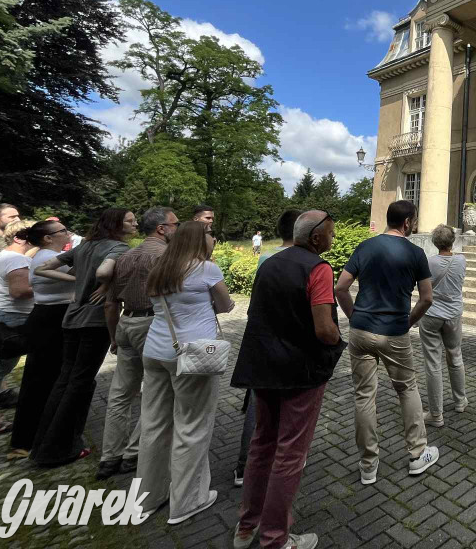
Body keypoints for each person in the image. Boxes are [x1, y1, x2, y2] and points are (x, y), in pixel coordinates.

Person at [231, 210, 344, 549]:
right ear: (315, 238)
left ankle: (245, 527)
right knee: (290, 453)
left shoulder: (270, 263)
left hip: (263, 367)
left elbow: (258, 312)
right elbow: (324, 328)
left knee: (262, 444)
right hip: (299, 372)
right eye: (330, 233)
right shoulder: (318, 268)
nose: (333, 239)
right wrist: (338, 343)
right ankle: (275, 538)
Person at [334, 199, 439, 485]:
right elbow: (427, 298)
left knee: (364, 395)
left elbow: (340, 288)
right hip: (394, 331)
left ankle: (368, 465)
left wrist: (354, 315)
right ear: (407, 223)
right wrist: (408, 321)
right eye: (413, 221)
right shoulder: (416, 253)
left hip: (361, 330)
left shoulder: (366, 246)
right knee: (406, 389)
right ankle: (418, 454)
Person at [137, 221, 234, 524]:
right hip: (193, 355)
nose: (214, 237)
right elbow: (227, 305)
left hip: (155, 350)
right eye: (209, 233)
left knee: (153, 423)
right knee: (192, 425)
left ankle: (147, 498)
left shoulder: (158, 268)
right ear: (197, 239)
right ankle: (188, 500)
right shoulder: (206, 269)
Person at [31, 208, 136, 467]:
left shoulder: (84, 247)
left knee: (65, 379)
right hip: (94, 320)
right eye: (130, 220)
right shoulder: (118, 249)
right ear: (116, 225)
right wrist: (105, 285)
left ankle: (42, 445)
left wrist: (78, 280)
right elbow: (103, 273)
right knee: (80, 382)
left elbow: (44, 269)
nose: (135, 224)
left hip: (71, 317)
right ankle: (58, 449)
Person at [95, 206, 179, 480]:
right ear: (161, 229)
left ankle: (109, 456)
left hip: (125, 323)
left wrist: (113, 336)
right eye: (175, 224)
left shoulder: (125, 255)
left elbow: (110, 302)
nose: (178, 229)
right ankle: (133, 452)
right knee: (157, 391)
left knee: (120, 393)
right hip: (151, 324)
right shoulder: (165, 256)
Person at [233, 208, 302, 487]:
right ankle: (284, 463)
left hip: (263, 336)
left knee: (259, 403)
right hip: (292, 342)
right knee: (293, 406)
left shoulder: (265, 258)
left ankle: (244, 466)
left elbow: (256, 302)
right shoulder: (308, 262)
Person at [9, 220, 76, 457]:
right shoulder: (46, 257)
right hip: (50, 319)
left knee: (41, 378)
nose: (68, 233)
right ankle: (32, 439)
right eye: (63, 231)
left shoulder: (47, 255)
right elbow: (82, 275)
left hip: (47, 317)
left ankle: (31, 437)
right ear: (48, 238)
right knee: (43, 379)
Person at [0, 220, 35, 434]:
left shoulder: (6, 256)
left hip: (1, 315)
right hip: (10, 316)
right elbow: (19, 291)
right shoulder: (15, 258)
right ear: (19, 237)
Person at [419, 225, 468, 428]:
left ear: (434, 242)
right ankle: (460, 401)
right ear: (453, 240)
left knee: (433, 364)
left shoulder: (429, 262)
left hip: (431, 315)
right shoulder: (461, 260)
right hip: (453, 314)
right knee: (455, 356)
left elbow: (423, 288)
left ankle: (436, 414)